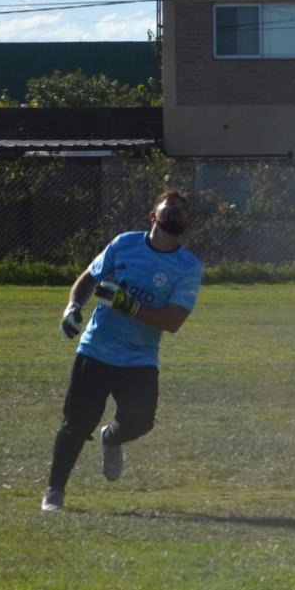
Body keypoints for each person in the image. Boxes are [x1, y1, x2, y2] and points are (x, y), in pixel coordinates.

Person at [41, 187, 202, 512]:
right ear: (153, 214)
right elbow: (89, 278)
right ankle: (54, 492)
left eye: (183, 209)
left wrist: (127, 305)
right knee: (76, 424)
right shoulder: (125, 243)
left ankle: (111, 439)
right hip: (97, 348)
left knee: (141, 422)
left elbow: (172, 321)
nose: (177, 211)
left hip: (140, 357)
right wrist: (72, 307)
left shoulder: (188, 266)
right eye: (170, 205)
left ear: (186, 221)